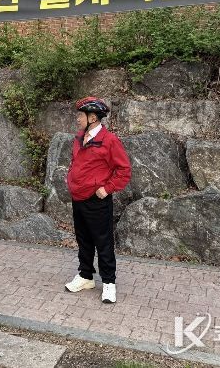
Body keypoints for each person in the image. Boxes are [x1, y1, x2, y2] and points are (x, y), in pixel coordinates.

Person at [65, 97, 131, 304]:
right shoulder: (79, 138)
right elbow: (75, 162)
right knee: (83, 239)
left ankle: (109, 283)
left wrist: (107, 188)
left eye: (80, 115)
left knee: (103, 242)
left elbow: (124, 170)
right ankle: (86, 276)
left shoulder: (109, 141)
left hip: (97, 200)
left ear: (92, 118)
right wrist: (71, 179)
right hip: (78, 197)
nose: (77, 119)